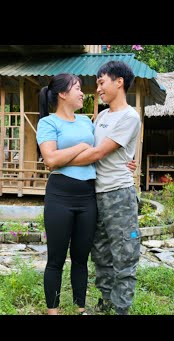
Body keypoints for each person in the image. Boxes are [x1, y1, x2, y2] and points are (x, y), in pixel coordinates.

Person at [65, 61, 142, 315]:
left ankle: (121, 308)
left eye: (101, 82)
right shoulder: (102, 116)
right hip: (95, 193)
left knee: (124, 253)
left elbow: (97, 152)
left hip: (119, 194)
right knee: (100, 252)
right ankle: (106, 301)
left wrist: (56, 160)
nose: (97, 89)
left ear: (119, 82)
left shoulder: (129, 116)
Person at [37, 74, 96, 315]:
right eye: (78, 88)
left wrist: (123, 164)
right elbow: (51, 159)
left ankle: (80, 308)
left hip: (88, 196)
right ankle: (54, 311)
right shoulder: (48, 123)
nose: (82, 93)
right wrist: (83, 148)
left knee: (81, 258)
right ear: (62, 94)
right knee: (56, 260)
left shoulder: (86, 122)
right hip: (60, 196)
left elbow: (100, 154)